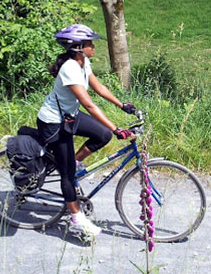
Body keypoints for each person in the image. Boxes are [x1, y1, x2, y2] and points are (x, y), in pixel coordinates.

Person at [36, 24, 137, 238]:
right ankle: (76, 219)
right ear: (79, 47)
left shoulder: (83, 62)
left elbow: (99, 88)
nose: (93, 46)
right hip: (54, 123)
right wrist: (117, 128)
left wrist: (122, 106)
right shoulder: (70, 68)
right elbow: (89, 104)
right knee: (67, 174)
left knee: (102, 135)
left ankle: (73, 161)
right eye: (90, 43)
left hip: (69, 116)